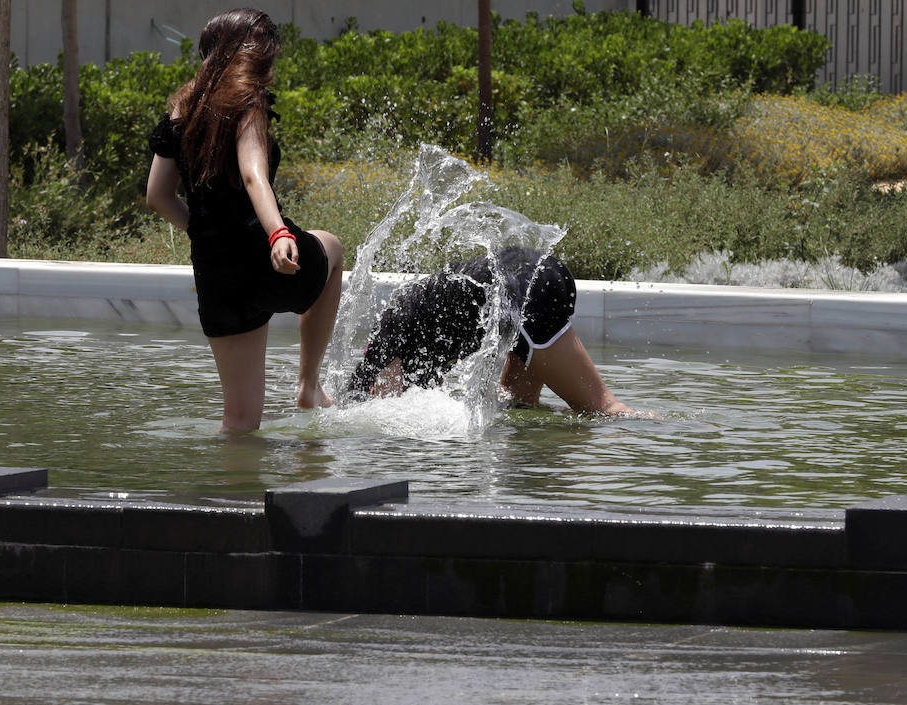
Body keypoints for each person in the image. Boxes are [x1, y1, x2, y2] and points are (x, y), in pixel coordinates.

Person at [146, 8, 340, 432]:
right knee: (334, 248)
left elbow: (157, 196)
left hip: (218, 275)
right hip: (266, 256)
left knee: (239, 419)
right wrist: (278, 234)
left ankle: (228, 497)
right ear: (252, 57)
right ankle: (308, 385)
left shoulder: (178, 115)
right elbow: (253, 175)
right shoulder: (247, 102)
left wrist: (206, 233)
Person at [346, 247, 640, 416]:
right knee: (517, 404)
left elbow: (402, 404)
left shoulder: (384, 358)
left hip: (522, 293)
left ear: (371, 386)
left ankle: (660, 436)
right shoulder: (400, 337)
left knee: (603, 410)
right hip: (528, 278)